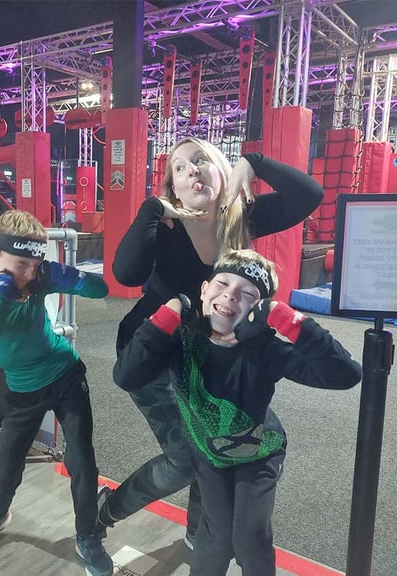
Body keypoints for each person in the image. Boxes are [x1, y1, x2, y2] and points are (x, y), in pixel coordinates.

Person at [97, 138, 325, 547]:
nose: (191, 171)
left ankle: (197, 532)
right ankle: (108, 510)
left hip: (209, 353)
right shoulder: (166, 226)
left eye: (200, 160)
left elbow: (309, 195)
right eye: (179, 169)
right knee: (184, 459)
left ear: (222, 170)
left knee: (219, 443)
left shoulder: (241, 218)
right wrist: (152, 209)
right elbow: (127, 275)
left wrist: (252, 163)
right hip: (153, 350)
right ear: (174, 188)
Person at [113, 249, 362, 575]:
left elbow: (346, 373)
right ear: (203, 291)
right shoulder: (182, 340)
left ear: (258, 309)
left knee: (250, 538)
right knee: (214, 540)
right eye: (223, 284)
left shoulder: (266, 350)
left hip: (259, 455)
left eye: (247, 293)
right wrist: (168, 313)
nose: (230, 295)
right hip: (208, 454)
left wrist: (286, 318)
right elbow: (126, 376)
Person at [0, 209, 113, 576]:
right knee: (6, 464)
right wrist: (0, 291)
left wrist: (70, 277)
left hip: (66, 377)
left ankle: (87, 535)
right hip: (24, 392)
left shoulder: (40, 278)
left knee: (81, 459)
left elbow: (101, 290)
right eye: (22, 263)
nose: (30, 273)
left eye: (37, 264)